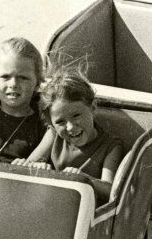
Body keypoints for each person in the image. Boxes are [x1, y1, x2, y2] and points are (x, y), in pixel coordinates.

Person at [15, 66, 124, 202]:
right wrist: (35, 168)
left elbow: (110, 191)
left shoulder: (111, 146)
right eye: (60, 122)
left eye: (76, 115)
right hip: (51, 201)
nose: (70, 127)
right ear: (51, 124)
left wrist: (83, 179)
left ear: (93, 108)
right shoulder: (53, 134)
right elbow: (29, 166)